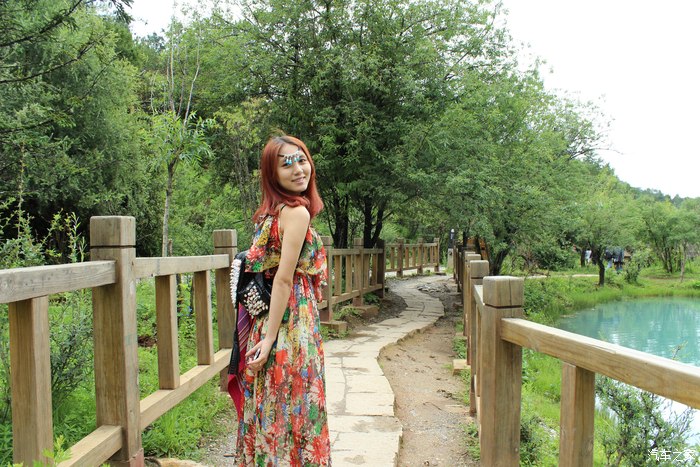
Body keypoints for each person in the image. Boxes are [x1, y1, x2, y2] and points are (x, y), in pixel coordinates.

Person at [228, 134, 331, 466]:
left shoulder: (273, 213)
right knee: (294, 401)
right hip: (290, 322)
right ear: (272, 174)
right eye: (286, 164)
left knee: (272, 401)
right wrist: (272, 337)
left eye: (301, 160)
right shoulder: (296, 213)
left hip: (269, 318)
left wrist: (266, 334)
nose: (298, 169)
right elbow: (285, 279)